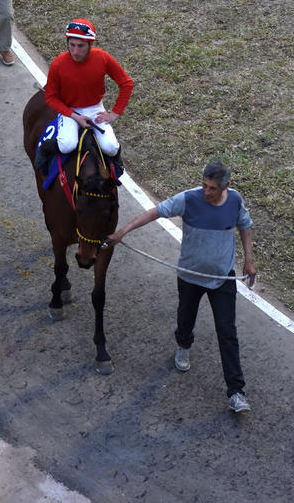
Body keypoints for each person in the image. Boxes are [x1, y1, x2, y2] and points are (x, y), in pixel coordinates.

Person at [106, 160, 257, 414]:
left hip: (222, 279)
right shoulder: (188, 199)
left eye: (212, 188)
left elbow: (245, 226)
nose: (206, 191)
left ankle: (236, 392)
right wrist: (123, 231)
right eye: (204, 185)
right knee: (185, 320)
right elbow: (155, 212)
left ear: (225, 187)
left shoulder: (235, 201)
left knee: (227, 332)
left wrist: (249, 261)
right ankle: (183, 345)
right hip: (189, 277)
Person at [43, 18, 134, 173]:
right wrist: (75, 116)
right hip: (70, 110)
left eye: (81, 46)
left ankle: (117, 164)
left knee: (111, 147)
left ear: (90, 44)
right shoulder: (58, 64)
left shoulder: (103, 58)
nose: (76, 51)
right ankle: (43, 151)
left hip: (94, 108)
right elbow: (50, 97)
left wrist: (115, 113)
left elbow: (126, 83)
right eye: (72, 45)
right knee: (67, 145)